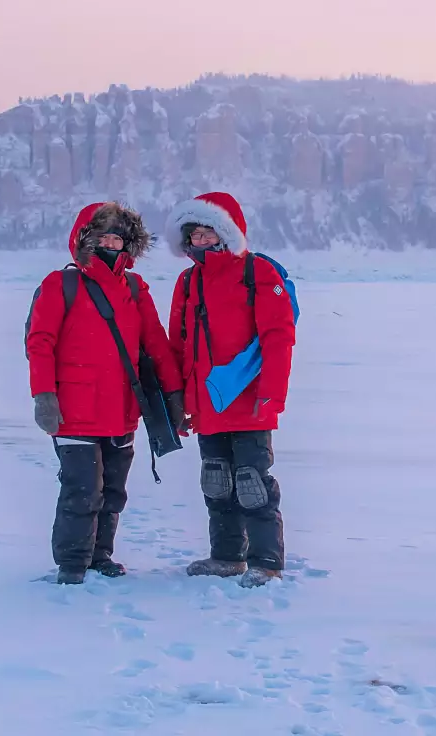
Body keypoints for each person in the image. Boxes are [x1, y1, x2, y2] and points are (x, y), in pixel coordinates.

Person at [25, 201, 185, 584]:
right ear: (86, 239)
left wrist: (174, 395)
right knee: (82, 489)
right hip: (74, 410)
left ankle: (100, 556)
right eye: (103, 236)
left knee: (112, 491)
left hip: (122, 408)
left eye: (118, 237)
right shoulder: (61, 284)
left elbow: (156, 344)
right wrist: (43, 395)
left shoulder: (134, 287)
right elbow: (40, 342)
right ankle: (72, 563)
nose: (111, 243)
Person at [164, 191, 297, 588]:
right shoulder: (188, 282)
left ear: (226, 232)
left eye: (208, 233)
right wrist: (182, 403)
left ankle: (266, 562)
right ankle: (226, 557)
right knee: (216, 482)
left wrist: (271, 395)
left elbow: (278, 337)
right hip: (208, 405)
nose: (201, 241)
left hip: (251, 403)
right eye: (195, 235)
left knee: (253, 483)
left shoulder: (258, 273)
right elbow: (180, 345)